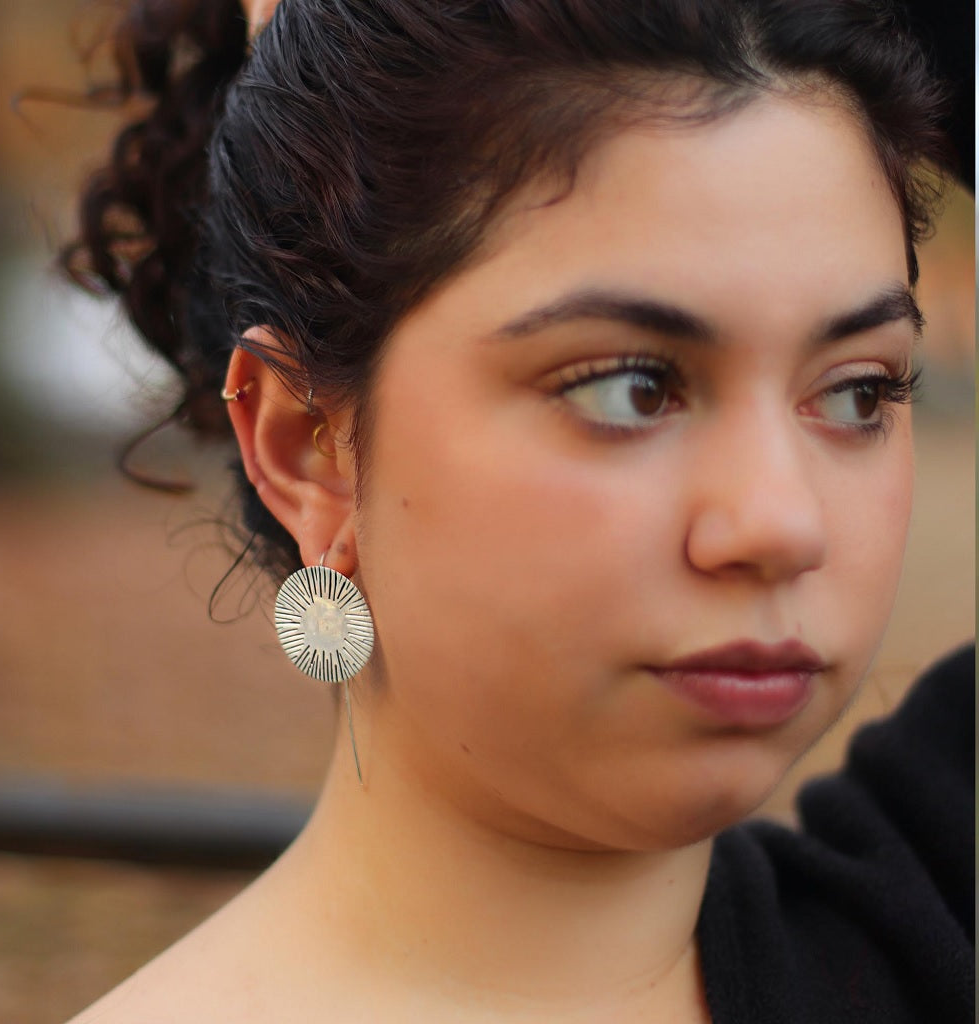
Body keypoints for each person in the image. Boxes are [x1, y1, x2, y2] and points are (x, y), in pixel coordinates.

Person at [62, 1, 974, 1020]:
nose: (778, 523)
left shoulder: (926, 936)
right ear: (307, 448)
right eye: (631, 387)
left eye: (857, 392)